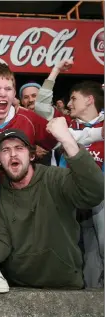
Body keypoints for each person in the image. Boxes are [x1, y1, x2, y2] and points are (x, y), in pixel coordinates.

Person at [0, 62, 104, 293]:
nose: (3, 94)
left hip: (22, 207)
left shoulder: (27, 119)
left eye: (8, 89)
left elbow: (62, 134)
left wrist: (99, 132)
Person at [0, 121, 104, 289]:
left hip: (66, 286)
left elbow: (94, 192)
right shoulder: (0, 194)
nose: (13, 154)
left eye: (19, 148)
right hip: (20, 290)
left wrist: (67, 141)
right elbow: (0, 244)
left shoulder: (55, 178)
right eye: (5, 150)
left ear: (32, 155)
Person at [65, 81, 104, 288]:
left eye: (74, 98)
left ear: (89, 100)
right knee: (87, 250)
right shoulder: (67, 125)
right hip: (73, 197)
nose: (70, 104)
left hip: (101, 199)